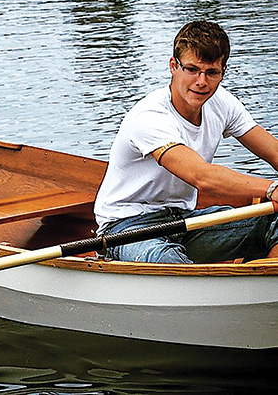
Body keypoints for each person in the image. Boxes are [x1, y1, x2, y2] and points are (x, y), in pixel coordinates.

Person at [94, 20, 278, 264]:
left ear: (223, 72)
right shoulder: (149, 116)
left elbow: (274, 153)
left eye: (211, 72)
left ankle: (256, 282)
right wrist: (271, 189)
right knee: (170, 262)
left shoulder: (222, 103)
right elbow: (202, 177)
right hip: (125, 228)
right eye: (192, 69)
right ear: (173, 66)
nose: (201, 82)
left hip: (184, 221)